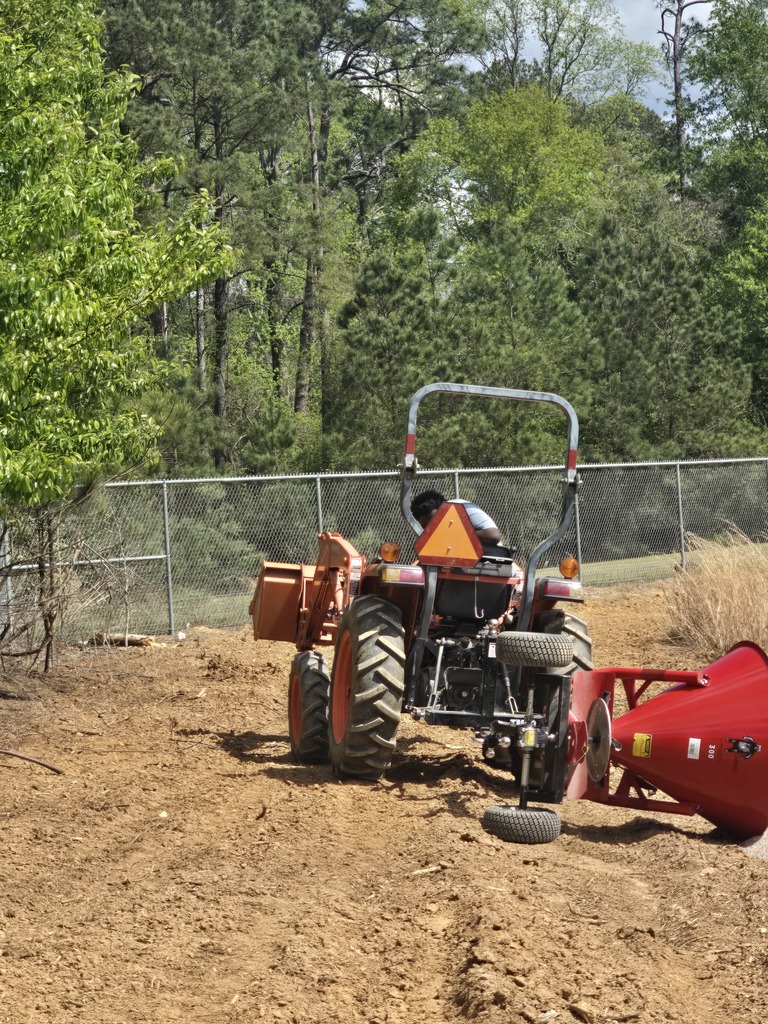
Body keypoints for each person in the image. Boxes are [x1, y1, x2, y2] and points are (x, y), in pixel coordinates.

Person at [410, 489, 502, 547]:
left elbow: (493, 536)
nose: (435, 528)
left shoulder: (461, 507)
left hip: (490, 558)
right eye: (427, 527)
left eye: (436, 522)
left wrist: (451, 535)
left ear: (443, 508)